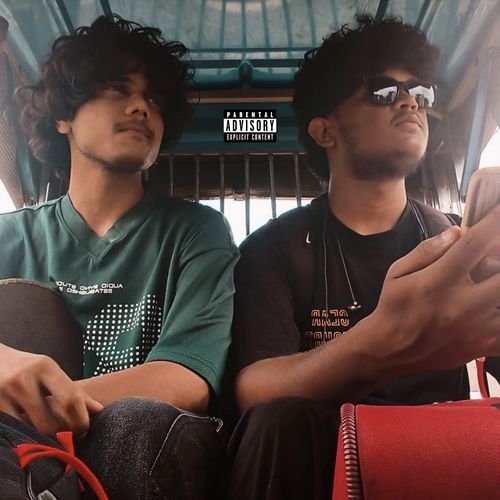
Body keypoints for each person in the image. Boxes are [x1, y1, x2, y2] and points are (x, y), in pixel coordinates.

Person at [226, 15, 500, 500]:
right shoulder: (274, 248)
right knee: (276, 420)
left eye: (420, 92)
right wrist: (381, 341)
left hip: (437, 450)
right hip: (319, 456)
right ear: (325, 131)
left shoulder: (459, 239)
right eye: (382, 90)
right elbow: (256, 391)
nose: (409, 101)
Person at [0, 15, 238, 499]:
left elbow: (186, 378)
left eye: (155, 99)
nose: (140, 107)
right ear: (63, 116)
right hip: (21, 455)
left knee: (138, 421)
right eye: (116, 88)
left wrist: (38, 406)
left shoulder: (197, 231)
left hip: (145, 447)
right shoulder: (9, 237)